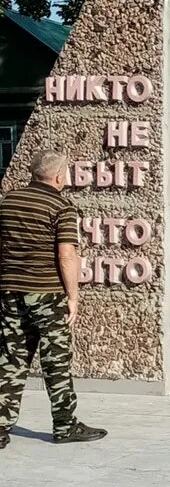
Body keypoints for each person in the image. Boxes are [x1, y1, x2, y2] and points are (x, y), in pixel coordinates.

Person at [0, 151, 106, 447]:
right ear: (59, 176)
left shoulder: (8, 201)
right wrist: (73, 296)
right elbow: (66, 254)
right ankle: (65, 425)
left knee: (11, 358)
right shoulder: (61, 206)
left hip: (10, 292)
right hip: (46, 293)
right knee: (55, 360)